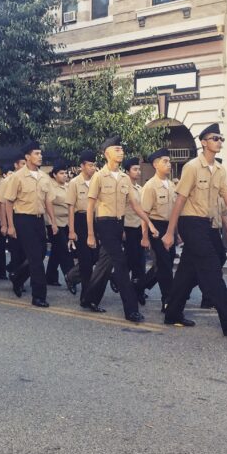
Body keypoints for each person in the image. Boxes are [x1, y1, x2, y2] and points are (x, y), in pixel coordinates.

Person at [161, 123, 227, 334]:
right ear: (204, 142)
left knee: (187, 271)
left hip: (206, 224)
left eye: (221, 138)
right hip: (191, 222)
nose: (219, 142)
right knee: (211, 267)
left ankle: (173, 312)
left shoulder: (220, 170)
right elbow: (179, 201)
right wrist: (171, 232)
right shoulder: (192, 167)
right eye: (215, 138)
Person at [81, 135, 158, 322]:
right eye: (117, 149)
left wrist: (149, 223)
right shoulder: (99, 177)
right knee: (121, 264)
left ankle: (88, 298)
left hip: (118, 223)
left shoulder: (124, 178)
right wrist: (90, 234)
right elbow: (90, 207)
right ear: (107, 153)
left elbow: (135, 205)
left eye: (122, 149)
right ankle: (130, 309)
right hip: (104, 223)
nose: (121, 152)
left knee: (104, 263)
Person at [5, 141, 56, 307]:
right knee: (35, 259)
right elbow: (9, 202)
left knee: (41, 253)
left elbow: (48, 202)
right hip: (23, 219)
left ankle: (17, 276)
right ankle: (38, 296)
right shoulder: (17, 177)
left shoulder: (44, 177)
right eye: (36, 153)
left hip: (39, 220)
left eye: (40, 153)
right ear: (27, 157)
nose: (40, 156)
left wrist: (53, 222)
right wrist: (11, 225)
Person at [140, 149, 176, 311]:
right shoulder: (150, 186)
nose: (169, 165)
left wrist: (177, 232)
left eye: (169, 161)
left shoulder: (172, 185)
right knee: (165, 266)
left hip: (170, 228)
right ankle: (167, 300)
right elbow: (144, 214)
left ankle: (138, 287)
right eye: (165, 161)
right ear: (155, 164)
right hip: (156, 227)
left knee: (164, 264)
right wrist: (145, 237)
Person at [65, 150, 99, 299]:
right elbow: (71, 208)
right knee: (85, 261)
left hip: (96, 221)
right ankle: (86, 296)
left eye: (94, 165)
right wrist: (71, 231)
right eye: (90, 165)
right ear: (82, 166)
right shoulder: (74, 183)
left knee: (95, 257)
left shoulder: (96, 181)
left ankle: (71, 277)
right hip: (80, 221)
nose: (93, 168)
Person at [45, 161, 74, 287]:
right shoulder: (50, 187)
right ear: (54, 175)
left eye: (65, 173)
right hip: (54, 222)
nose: (64, 175)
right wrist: (53, 223)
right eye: (61, 173)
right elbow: (48, 204)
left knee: (57, 251)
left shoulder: (68, 187)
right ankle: (71, 277)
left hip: (67, 222)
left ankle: (50, 276)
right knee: (63, 250)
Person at [122, 157, 148, 293]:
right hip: (128, 227)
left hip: (139, 227)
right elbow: (120, 209)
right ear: (127, 171)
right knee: (133, 259)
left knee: (139, 259)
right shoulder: (124, 188)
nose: (138, 172)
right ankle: (132, 286)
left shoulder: (139, 188)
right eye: (135, 169)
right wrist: (121, 230)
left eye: (139, 169)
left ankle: (138, 287)